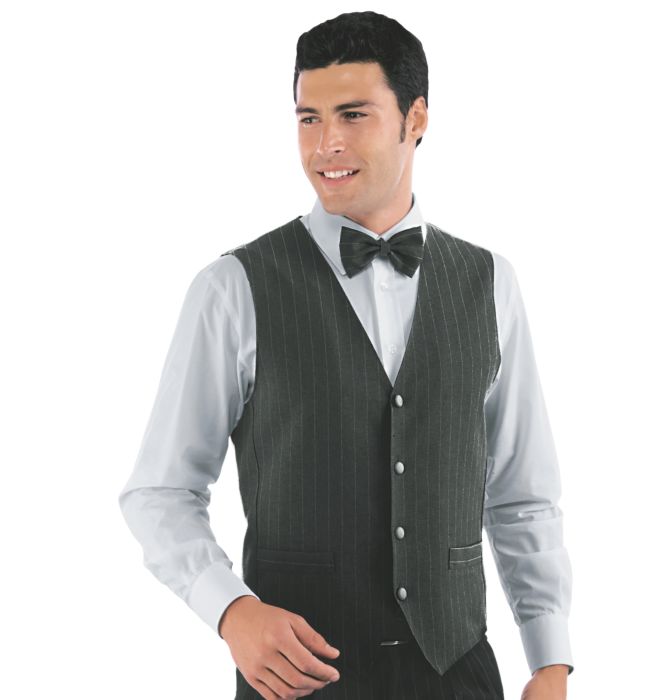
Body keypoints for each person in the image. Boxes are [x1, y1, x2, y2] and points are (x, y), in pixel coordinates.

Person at [119, 11, 574, 700]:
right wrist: (231, 610)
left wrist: (550, 660)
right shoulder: (233, 287)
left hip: (460, 675)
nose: (326, 143)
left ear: (415, 119)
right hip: (297, 681)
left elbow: (521, 494)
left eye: (353, 115)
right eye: (309, 118)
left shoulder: (490, 283)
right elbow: (160, 491)